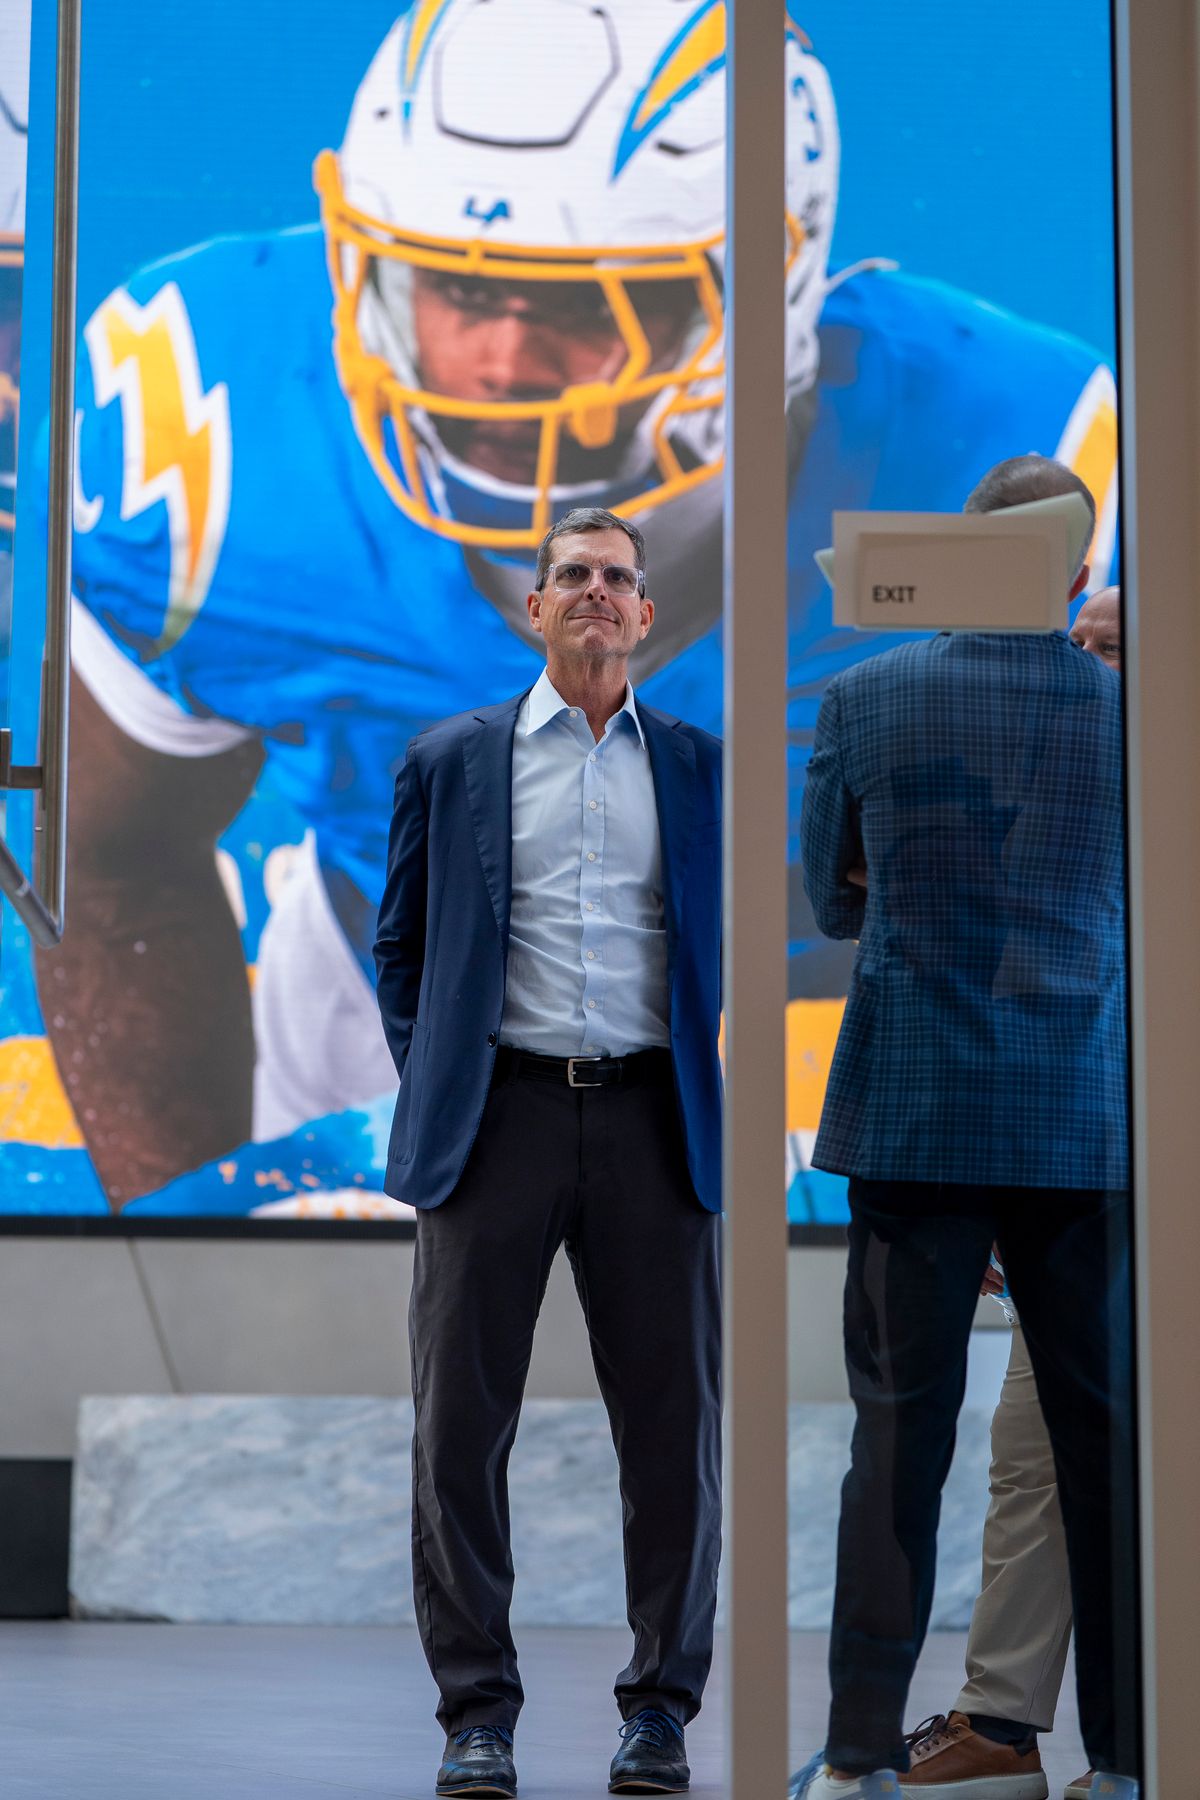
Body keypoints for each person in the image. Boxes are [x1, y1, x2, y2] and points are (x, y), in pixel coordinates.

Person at [11, 1, 1119, 1213]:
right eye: (449, 288)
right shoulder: (224, 453)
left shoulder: (1001, 459)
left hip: (857, 1019)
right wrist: (187, 1223)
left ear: (780, 278)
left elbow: (1108, 878)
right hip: (404, 1008)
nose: (495, 364)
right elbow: (115, 857)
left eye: (591, 304)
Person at [790, 456, 1137, 1800]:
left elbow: (832, 898)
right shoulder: (1131, 714)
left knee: (897, 1451)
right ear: (1071, 570)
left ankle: (864, 1756)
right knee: (1102, 1459)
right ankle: (1125, 1760)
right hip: (1078, 1125)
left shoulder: (867, 696)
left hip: (919, 1117)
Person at [373, 506, 722, 1798]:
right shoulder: (449, 758)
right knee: (459, 1432)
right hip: (495, 1123)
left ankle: (661, 1714)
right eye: (569, 574)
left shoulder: (698, 766)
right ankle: (478, 1716)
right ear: (535, 608)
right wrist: (449, 1077)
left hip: (653, 1122)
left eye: (616, 580)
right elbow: (399, 949)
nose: (593, 592)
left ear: (645, 615)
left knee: (674, 1437)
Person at [901, 593, 1122, 1800]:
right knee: (1033, 1456)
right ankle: (1002, 1721)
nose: (1087, 680)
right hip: (1078, 1193)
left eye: (1112, 654)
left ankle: (1138, 1747)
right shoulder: (1042, 844)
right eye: (1076, 651)